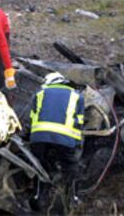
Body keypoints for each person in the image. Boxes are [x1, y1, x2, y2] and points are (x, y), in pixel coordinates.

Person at [29, 72, 85, 211]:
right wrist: (76, 143)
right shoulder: (77, 96)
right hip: (64, 138)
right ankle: (73, 197)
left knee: (39, 166)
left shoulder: (40, 93)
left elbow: (32, 117)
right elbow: (79, 122)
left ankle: (37, 196)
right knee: (70, 167)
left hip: (39, 137)